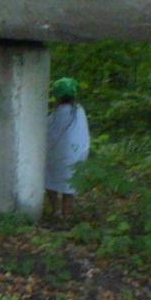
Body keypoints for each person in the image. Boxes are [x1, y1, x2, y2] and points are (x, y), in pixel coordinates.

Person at [44, 76, 91, 222]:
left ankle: (57, 211)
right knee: (69, 186)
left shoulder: (61, 112)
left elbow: (50, 131)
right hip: (79, 153)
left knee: (48, 180)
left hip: (61, 154)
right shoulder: (79, 111)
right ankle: (66, 215)